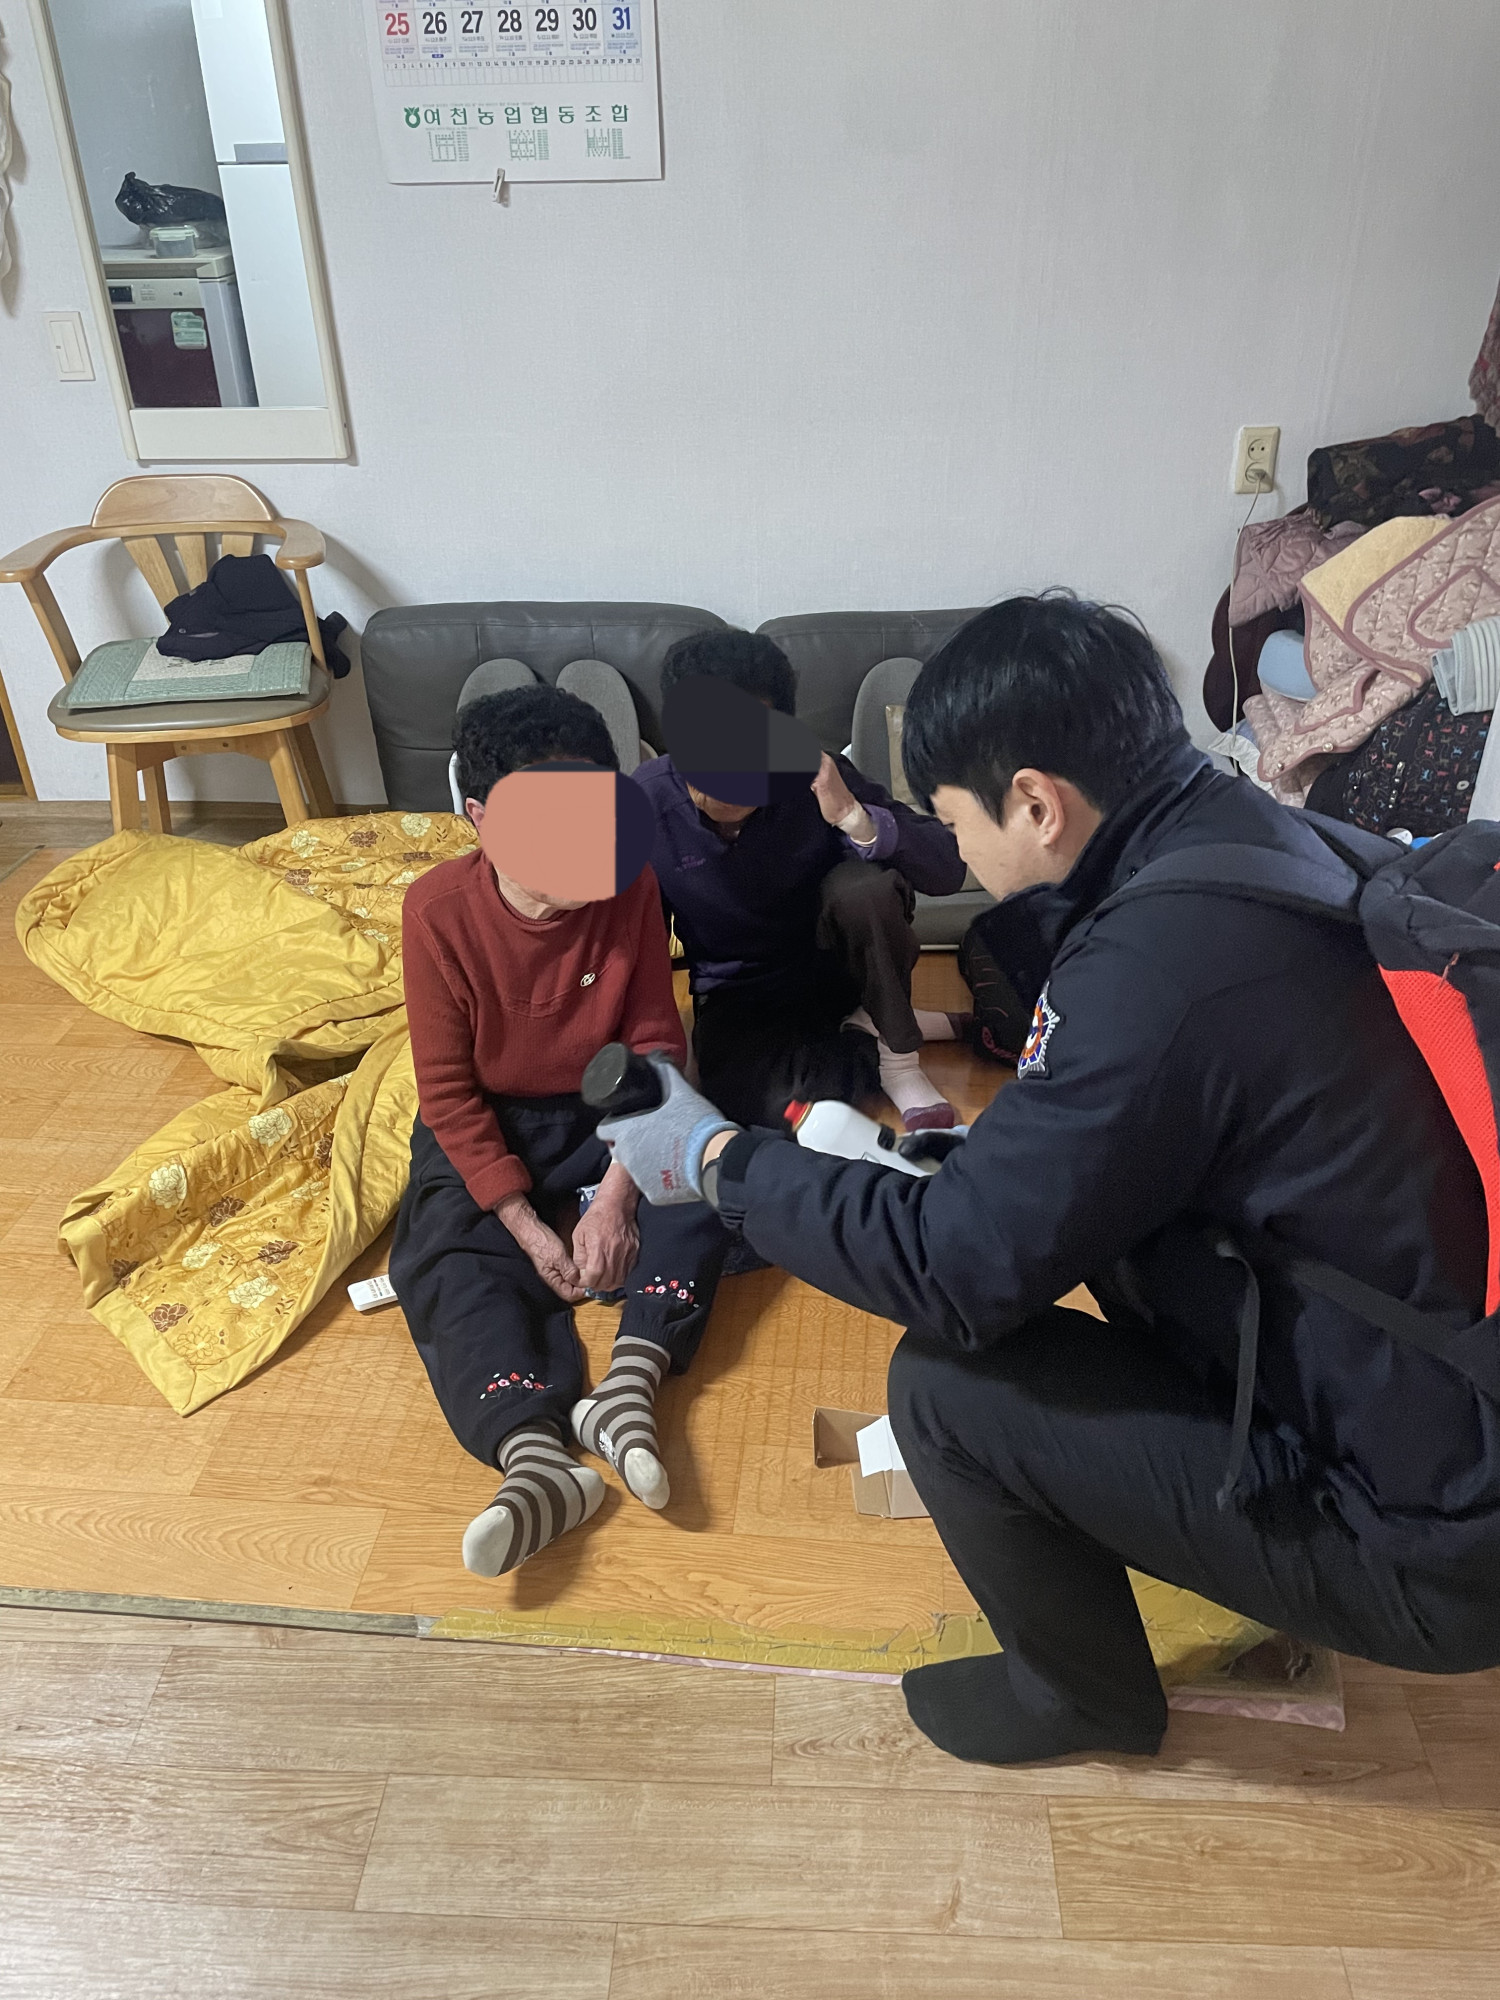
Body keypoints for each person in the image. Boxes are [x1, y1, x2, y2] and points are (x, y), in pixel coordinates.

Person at [596, 592, 1500, 1766]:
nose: (958, 849)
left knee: (946, 1383)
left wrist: (719, 1161)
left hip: (1432, 1545)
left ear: (1036, 801)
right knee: (1034, 1213)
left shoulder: (1158, 971)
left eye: (956, 816)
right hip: (1450, 1403)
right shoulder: (1273, 840)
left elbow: (955, 1271)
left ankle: (1083, 1698)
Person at [391, 685, 729, 1578]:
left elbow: (655, 1043)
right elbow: (448, 1093)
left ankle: (628, 1388)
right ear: (480, 819)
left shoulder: (629, 883)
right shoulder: (435, 911)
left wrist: (617, 1197)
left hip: (605, 1103)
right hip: (494, 1116)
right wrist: (528, 1226)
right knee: (442, 1251)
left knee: (704, 1173)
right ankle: (535, 1457)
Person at [632, 629, 970, 1131]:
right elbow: (641, 944)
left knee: (865, 889)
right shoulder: (645, 802)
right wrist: (672, 1057)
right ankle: (877, 1028)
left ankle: (898, 1056)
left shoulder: (814, 774)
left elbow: (947, 868)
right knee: (781, 1110)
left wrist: (854, 816)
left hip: (837, 969)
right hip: (739, 994)